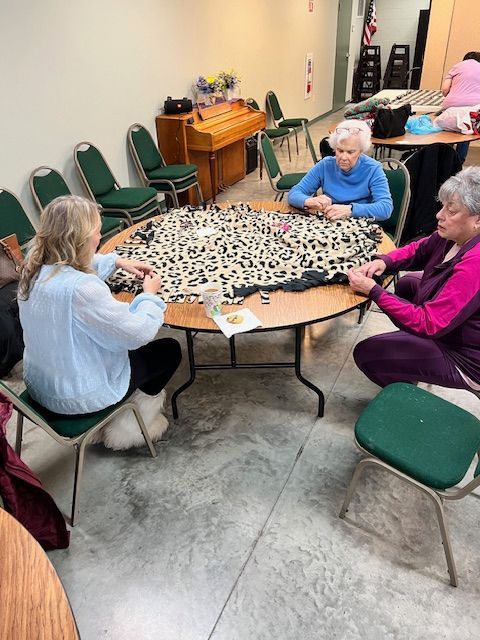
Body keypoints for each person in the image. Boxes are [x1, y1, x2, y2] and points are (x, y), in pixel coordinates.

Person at [17, 195, 181, 415]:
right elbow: (137, 333)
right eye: (97, 231)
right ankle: (136, 416)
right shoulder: (81, 289)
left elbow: (69, 264)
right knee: (170, 350)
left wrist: (116, 261)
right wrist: (149, 295)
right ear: (80, 239)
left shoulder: (32, 268)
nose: (100, 237)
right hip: (77, 396)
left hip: (40, 384)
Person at [348, 166, 480, 391]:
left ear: (477, 221)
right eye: (443, 207)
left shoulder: (474, 265)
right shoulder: (454, 235)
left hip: (465, 357)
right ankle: (412, 351)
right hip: (451, 331)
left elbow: (430, 323)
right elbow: (419, 250)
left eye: (451, 211)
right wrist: (385, 261)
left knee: (366, 354)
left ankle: (407, 392)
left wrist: (374, 291)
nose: (439, 215)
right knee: (408, 284)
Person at [288, 119, 393, 222]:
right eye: (340, 150)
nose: (343, 157)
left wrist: (351, 210)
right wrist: (309, 201)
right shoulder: (325, 165)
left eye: (350, 152)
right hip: (331, 221)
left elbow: (385, 208)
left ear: (360, 151)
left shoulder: (373, 169)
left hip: (360, 223)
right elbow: (294, 193)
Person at [441, 51, 480, 163]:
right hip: (473, 107)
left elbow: (445, 90)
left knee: (448, 131)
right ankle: (459, 161)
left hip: (451, 106)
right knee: (466, 132)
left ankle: (445, 159)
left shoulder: (457, 67)